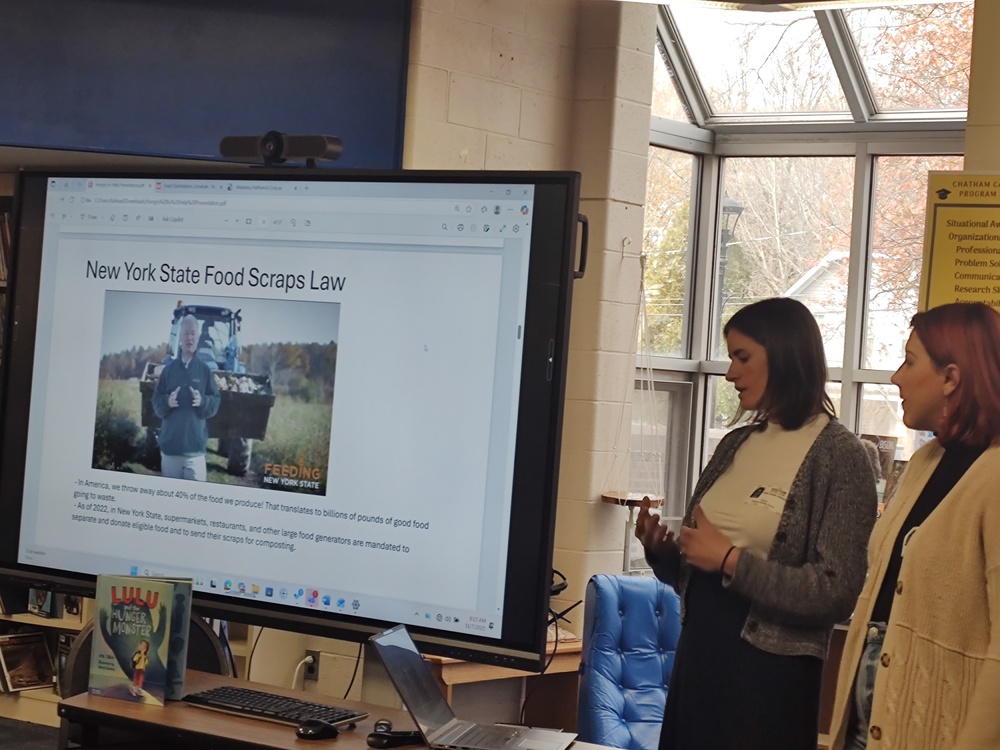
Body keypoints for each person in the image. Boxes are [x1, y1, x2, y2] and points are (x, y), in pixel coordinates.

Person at [636, 297, 878, 750]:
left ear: (784, 355)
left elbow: (835, 591)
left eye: (742, 357)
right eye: (730, 358)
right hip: (698, 662)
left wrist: (730, 561)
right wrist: (665, 555)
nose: (730, 373)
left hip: (768, 682)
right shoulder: (734, 444)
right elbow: (697, 574)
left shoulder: (841, 457)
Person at [829, 301, 1000, 750]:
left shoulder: (995, 479)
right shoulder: (925, 462)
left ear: (951, 378)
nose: (896, 377)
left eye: (909, 361)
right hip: (868, 729)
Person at [152, 314, 220, 480]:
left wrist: (202, 401)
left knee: (196, 503)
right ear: (180, 338)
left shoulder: (205, 371)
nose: (189, 337)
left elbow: (215, 402)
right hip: (170, 453)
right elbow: (156, 402)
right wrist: (167, 402)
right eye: (186, 333)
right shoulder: (168, 371)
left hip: (195, 454)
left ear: (198, 337)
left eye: (193, 333)